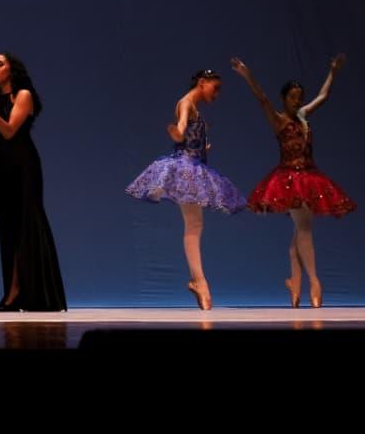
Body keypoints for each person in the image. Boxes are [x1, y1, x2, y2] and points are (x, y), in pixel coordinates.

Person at [231, 54, 353, 308]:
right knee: (305, 229)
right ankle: (315, 283)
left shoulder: (303, 116)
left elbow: (324, 97)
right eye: (292, 97)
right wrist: (247, 75)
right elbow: (262, 98)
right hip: (289, 180)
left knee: (299, 232)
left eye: (300, 97)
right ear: (284, 98)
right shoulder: (279, 120)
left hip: (310, 176)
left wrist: (332, 72)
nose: (297, 101)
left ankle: (295, 284)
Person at [125, 69, 246, 310]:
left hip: (193, 164)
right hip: (186, 168)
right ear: (202, 83)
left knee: (195, 224)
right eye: (215, 87)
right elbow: (181, 128)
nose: (217, 93)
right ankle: (199, 281)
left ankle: (199, 281)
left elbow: (189, 135)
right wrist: (178, 133)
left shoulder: (194, 107)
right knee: (194, 225)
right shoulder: (186, 102)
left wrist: (201, 147)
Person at [0, 53, 67, 312]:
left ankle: (27, 294)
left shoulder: (23, 95)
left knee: (27, 226)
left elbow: (10, 130)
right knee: (8, 228)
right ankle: (13, 292)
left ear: (12, 70)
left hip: (23, 166)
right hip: (0, 167)